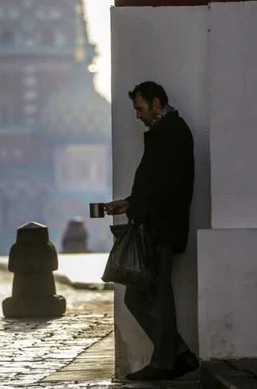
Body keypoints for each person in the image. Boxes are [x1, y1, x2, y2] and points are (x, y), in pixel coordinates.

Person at [104, 81, 198, 382]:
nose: (137, 115)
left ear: (156, 104)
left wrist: (136, 208)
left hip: (161, 229)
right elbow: (155, 185)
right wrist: (129, 204)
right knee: (143, 296)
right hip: (154, 226)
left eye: (140, 108)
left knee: (155, 297)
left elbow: (166, 188)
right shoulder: (166, 132)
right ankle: (178, 355)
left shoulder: (173, 133)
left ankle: (166, 361)